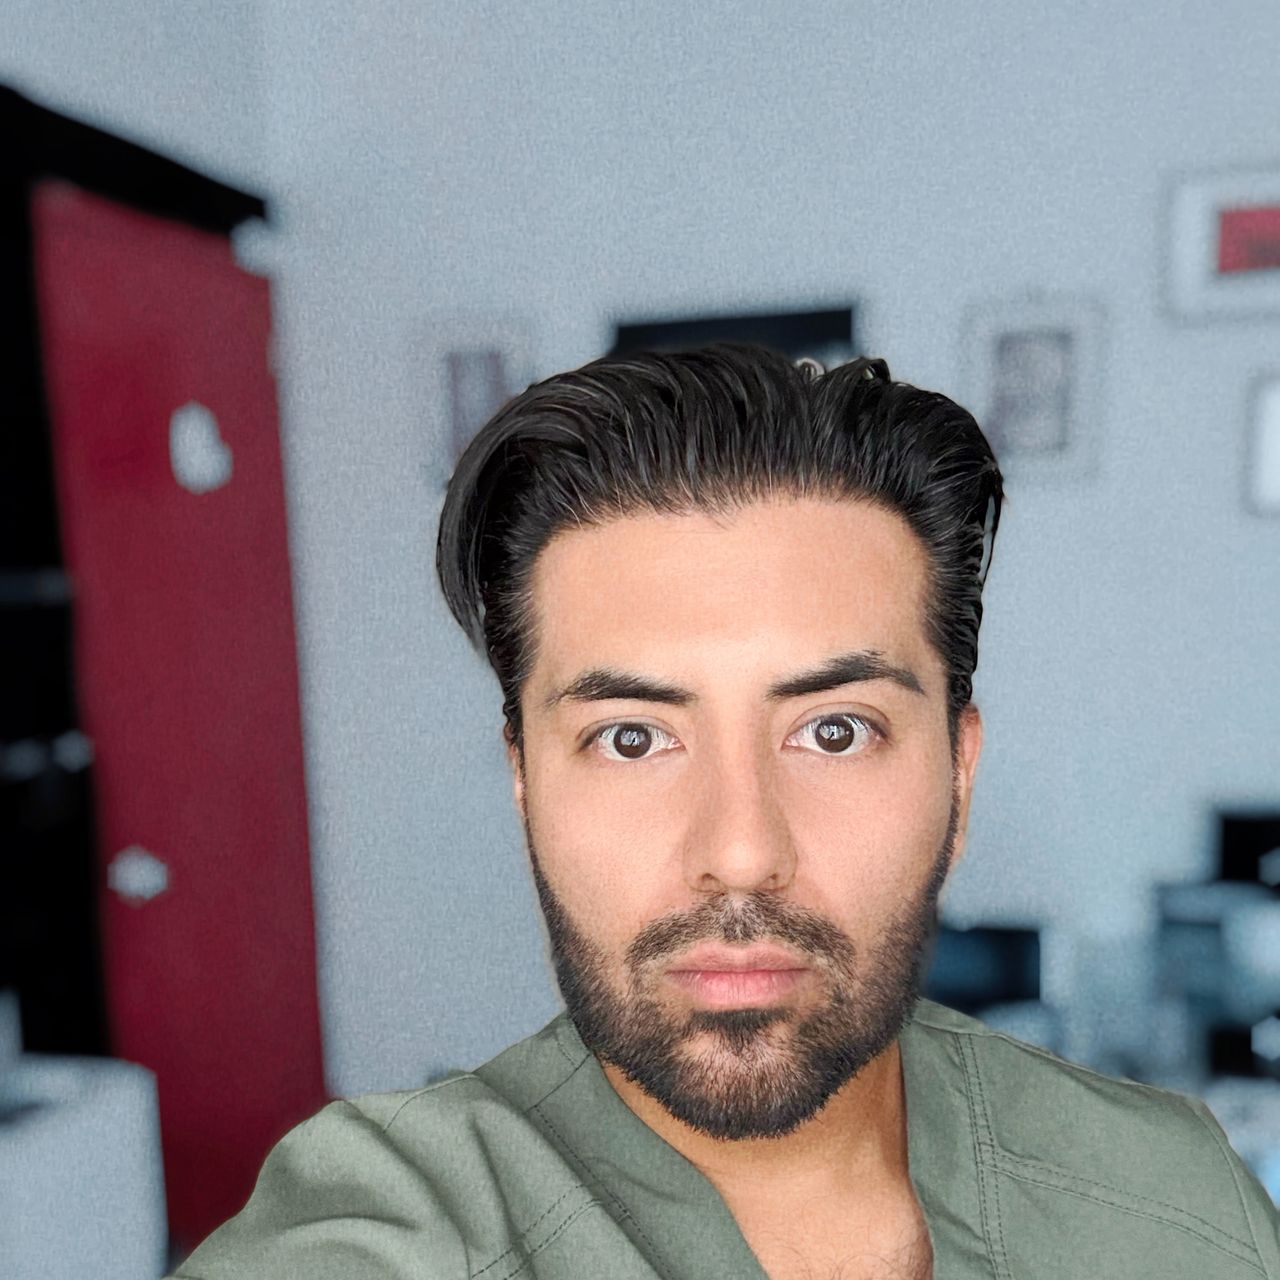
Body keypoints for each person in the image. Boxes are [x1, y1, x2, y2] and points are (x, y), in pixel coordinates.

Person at [169, 345, 1280, 1279]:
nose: (741, 852)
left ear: (959, 775)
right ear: (524, 782)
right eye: (632, 737)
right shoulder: (394, 1231)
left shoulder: (1177, 1201)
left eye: (834, 731)